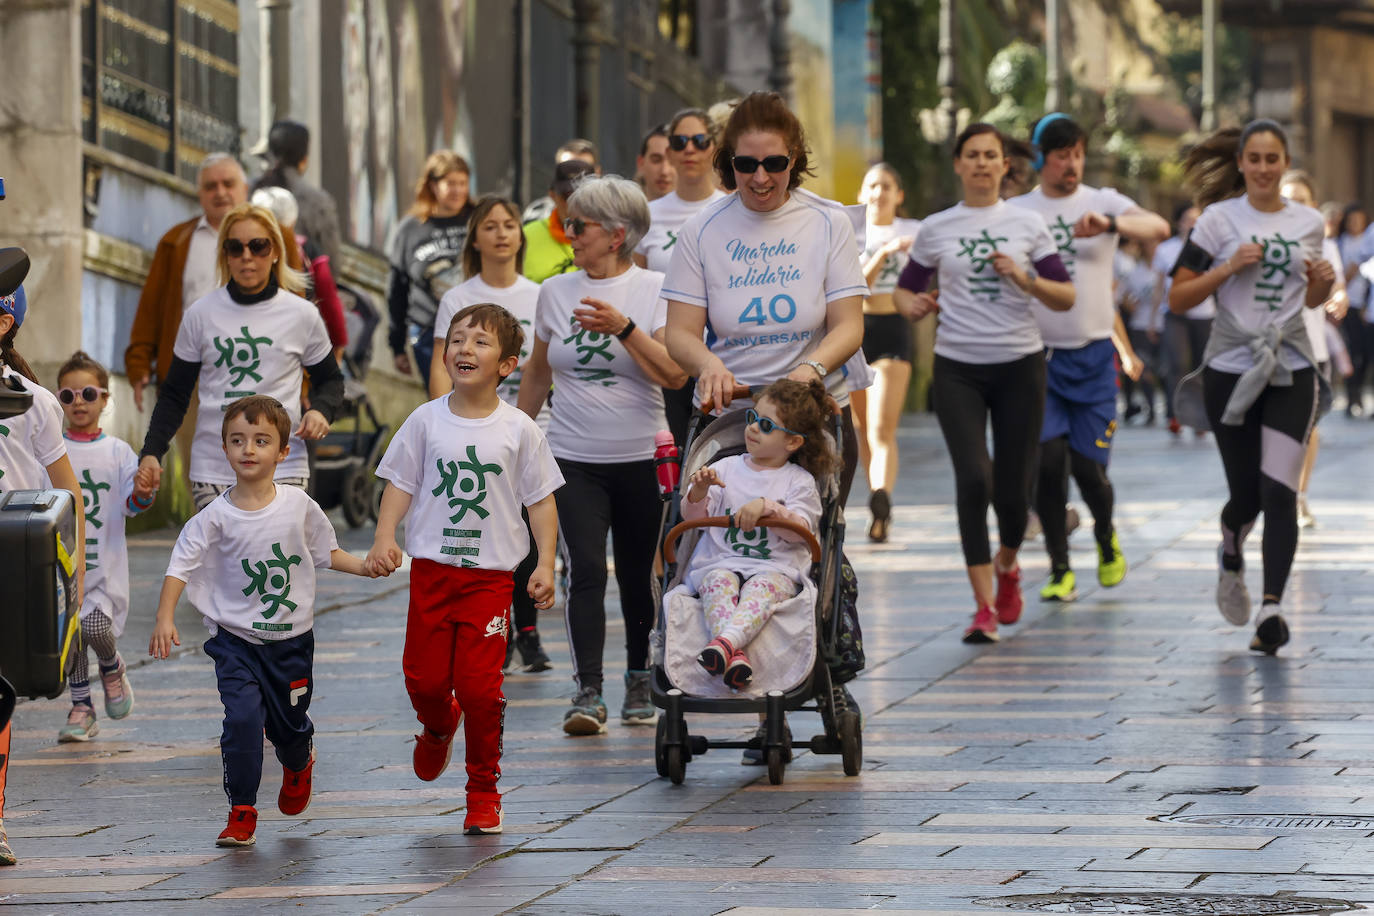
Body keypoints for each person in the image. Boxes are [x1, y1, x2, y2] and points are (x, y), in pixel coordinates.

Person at [661, 89, 867, 739]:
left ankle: (822, 664)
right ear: (728, 164)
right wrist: (709, 365)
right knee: (717, 539)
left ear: (794, 160)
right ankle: (736, 679)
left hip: (810, 412)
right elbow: (680, 332)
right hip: (733, 414)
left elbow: (848, 324)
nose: (759, 178)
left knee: (814, 536)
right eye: (745, 165)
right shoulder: (702, 231)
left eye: (774, 164)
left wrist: (810, 369)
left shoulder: (828, 223)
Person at [149, 395, 379, 846]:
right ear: (224, 449)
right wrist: (164, 616)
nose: (248, 449)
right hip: (234, 641)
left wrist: (365, 566)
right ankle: (242, 810)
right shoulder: (213, 517)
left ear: (283, 451)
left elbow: (327, 553)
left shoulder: (298, 505)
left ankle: (299, 759)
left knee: (288, 727)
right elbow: (180, 566)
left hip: (291, 643)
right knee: (242, 720)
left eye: (260, 440)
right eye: (237, 440)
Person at [368, 304, 562, 835]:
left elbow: (541, 500)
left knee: (479, 690)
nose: (464, 349)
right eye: (457, 339)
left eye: (480, 342)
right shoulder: (425, 420)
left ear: (507, 364)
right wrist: (385, 537)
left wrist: (545, 563)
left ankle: (483, 791)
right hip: (432, 574)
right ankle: (437, 725)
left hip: (490, 581)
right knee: (424, 681)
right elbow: (400, 483)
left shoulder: (519, 429)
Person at [516, 175, 687, 735]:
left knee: (638, 574)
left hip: (642, 456)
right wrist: (515, 436)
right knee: (585, 569)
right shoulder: (554, 292)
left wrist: (625, 328)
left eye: (579, 225)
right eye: (568, 224)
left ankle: (639, 676)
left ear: (616, 234)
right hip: (571, 457)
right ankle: (587, 691)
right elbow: (538, 371)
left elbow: (674, 373)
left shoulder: (656, 288)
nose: (569, 234)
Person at [893, 122, 1075, 643]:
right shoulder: (936, 228)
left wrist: (1024, 277)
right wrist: (914, 306)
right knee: (974, 479)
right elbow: (904, 292)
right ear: (958, 164)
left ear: (1004, 165)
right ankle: (983, 607)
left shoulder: (1027, 224)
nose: (980, 163)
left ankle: (1008, 563)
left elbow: (1065, 295)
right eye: (971, 155)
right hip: (958, 368)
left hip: (1020, 366)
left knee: (1014, 494)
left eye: (989, 155)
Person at [1169, 119, 1334, 655]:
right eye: (1255, 159)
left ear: (1285, 164)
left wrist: (1321, 286)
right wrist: (1227, 268)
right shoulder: (1217, 222)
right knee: (1246, 496)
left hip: (1290, 366)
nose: (1264, 168)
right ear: (1241, 164)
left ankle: (1271, 608)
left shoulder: (1308, 222)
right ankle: (1230, 551)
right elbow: (1178, 297)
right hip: (1231, 369)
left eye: (1273, 159)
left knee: (1280, 491)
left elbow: (1311, 301)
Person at [1008, 114, 1168, 603]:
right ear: (1041, 158)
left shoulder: (1103, 201)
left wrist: (1111, 224)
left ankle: (1104, 533)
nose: (1071, 164)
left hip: (1095, 359)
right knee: (1048, 465)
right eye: (1061, 155)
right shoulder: (1018, 210)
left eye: (1077, 154)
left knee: (1088, 469)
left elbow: (1158, 227)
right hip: (1038, 359)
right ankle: (1060, 568)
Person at [136, 202, 344, 511]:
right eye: (235, 248)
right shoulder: (200, 315)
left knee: (275, 545)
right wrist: (151, 453)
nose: (247, 256)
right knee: (222, 546)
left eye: (258, 246)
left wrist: (321, 411)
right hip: (214, 470)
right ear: (225, 255)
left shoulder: (302, 315)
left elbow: (331, 381)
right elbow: (174, 394)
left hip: (282, 468)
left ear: (275, 252)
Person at [429, 197, 552, 673]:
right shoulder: (457, 298)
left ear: (521, 236)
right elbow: (440, 366)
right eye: (491, 226)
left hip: (533, 425)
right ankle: (495, 629)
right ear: (475, 238)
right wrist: (442, 421)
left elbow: (546, 366)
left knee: (527, 525)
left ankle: (528, 631)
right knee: (488, 529)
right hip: (471, 431)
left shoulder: (540, 294)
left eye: (510, 225)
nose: (502, 233)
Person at [0, 285, 88, 868]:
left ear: (5, 322)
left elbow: (67, 496)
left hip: (9, 557)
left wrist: (72, 577)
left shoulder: (32, 401)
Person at [684, 379, 828, 688]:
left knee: (761, 587)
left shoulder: (798, 481)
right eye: (752, 418)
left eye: (765, 425)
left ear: (793, 442)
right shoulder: (725, 468)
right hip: (721, 561)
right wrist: (699, 492)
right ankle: (732, 652)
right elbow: (695, 522)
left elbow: (802, 532)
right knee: (717, 581)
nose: (752, 428)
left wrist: (769, 508)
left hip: (775, 568)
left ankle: (725, 643)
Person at [54, 352, 156, 742]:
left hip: (104, 567)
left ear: (105, 398)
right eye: (68, 395)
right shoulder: (52, 451)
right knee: (71, 639)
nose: (78, 402)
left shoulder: (118, 451)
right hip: (62, 566)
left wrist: (143, 491)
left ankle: (111, 665)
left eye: (88, 394)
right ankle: (82, 707)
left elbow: (132, 503)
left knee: (94, 626)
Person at [125, 153, 249, 415]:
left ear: (245, 189)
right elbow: (151, 309)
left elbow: (295, 302)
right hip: (191, 375)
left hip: (255, 371)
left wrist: (305, 382)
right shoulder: (176, 241)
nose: (220, 192)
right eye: (211, 186)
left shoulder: (274, 237)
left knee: (254, 441)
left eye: (228, 184)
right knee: (192, 443)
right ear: (200, 194)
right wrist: (139, 365)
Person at [634, 108, 729, 447]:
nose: (689, 149)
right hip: (663, 355)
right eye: (680, 142)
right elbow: (637, 285)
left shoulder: (731, 210)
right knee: (670, 455)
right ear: (670, 151)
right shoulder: (647, 215)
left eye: (699, 141)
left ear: (714, 148)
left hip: (721, 354)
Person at [853, 162, 920, 542]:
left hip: (894, 328)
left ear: (899, 194)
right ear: (861, 194)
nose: (879, 193)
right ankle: (877, 504)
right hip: (855, 332)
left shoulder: (915, 230)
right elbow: (856, 286)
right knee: (862, 428)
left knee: (881, 428)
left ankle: (882, 496)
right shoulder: (849, 231)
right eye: (872, 186)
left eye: (887, 186)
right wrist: (885, 253)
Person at [1277, 171, 1348, 530]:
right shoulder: (1265, 240)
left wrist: (1340, 298)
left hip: (1311, 352)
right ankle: (1277, 495)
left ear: (1314, 207)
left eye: (1302, 201)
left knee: (1308, 428)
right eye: (1287, 200)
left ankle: (1299, 496)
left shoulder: (1325, 245)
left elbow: (1338, 286)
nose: (1294, 207)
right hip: (1269, 350)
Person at [388, 150, 475, 381]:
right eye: (450, 183)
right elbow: (397, 290)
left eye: (463, 183)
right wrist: (397, 346)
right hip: (429, 331)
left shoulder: (480, 220)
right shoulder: (410, 229)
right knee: (441, 398)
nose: (458, 190)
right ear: (433, 185)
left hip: (478, 328)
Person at [251, 186, 349, 352]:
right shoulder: (308, 250)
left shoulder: (241, 250)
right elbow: (329, 300)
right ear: (293, 220)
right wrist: (338, 345)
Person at [1155, 204, 1216, 435]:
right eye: (1188, 219)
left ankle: (1200, 417)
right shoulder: (1165, 249)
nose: (1193, 223)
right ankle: (1175, 414)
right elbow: (1159, 287)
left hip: (1204, 313)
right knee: (1177, 364)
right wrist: (1153, 319)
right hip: (1174, 313)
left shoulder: (1212, 246)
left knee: (1202, 365)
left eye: (1197, 219)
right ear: (1179, 222)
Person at [252, 119, 343, 268]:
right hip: (300, 281)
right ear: (303, 159)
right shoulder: (318, 202)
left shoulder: (249, 191)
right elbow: (331, 262)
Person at [523, 159, 596, 284]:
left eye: (582, 196)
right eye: (567, 196)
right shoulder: (525, 236)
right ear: (552, 195)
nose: (574, 204)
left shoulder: (610, 234)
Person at [1337, 204, 1371, 416]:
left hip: (1366, 306)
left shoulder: (1369, 239)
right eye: (1351, 220)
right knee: (1352, 352)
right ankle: (1352, 397)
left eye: (1359, 220)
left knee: (1366, 354)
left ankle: (1359, 394)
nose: (1355, 224)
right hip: (1347, 305)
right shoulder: (1339, 243)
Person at [523, 139, 602, 224]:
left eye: (584, 167)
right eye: (567, 167)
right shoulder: (537, 215)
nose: (575, 171)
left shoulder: (610, 214)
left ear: (597, 172)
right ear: (552, 194)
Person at [635, 124, 676, 202]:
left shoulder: (700, 209)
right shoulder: (625, 209)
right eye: (656, 160)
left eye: (672, 161)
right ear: (641, 163)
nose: (664, 171)